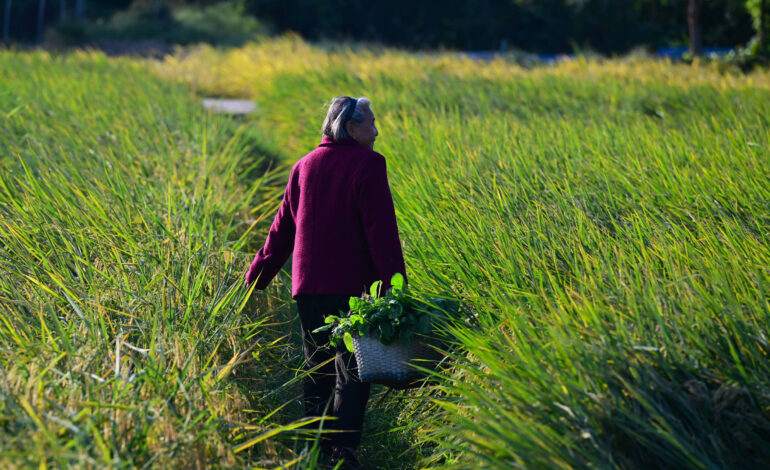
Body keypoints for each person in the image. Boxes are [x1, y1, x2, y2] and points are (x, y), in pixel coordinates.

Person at [244, 96, 407, 467]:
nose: (376, 131)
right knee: (352, 366)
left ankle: (313, 444)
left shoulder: (303, 166)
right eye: (371, 123)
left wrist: (255, 278)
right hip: (352, 287)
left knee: (316, 363)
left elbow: (281, 229)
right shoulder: (369, 163)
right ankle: (344, 448)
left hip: (309, 286)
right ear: (351, 127)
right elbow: (381, 231)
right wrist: (397, 287)